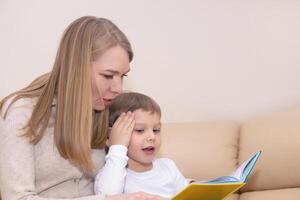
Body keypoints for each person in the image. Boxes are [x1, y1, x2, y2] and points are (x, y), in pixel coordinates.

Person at [0, 16, 167, 200]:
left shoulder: (106, 109)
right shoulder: (22, 112)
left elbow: (131, 174)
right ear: (77, 67)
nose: (118, 89)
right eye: (108, 75)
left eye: (122, 76)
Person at [94, 92, 188, 198]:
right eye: (140, 130)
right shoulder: (112, 174)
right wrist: (117, 147)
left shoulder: (168, 167)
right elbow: (108, 197)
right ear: (110, 137)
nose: (152, 137)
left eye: (156, 130)